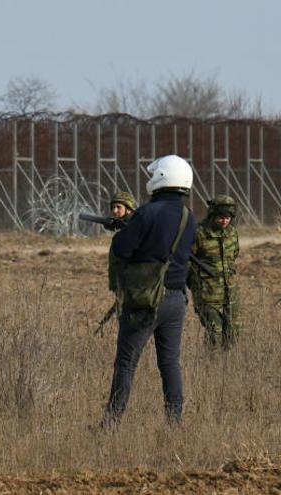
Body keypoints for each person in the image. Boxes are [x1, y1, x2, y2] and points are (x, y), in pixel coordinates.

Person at [104, 155, 196, 426]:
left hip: (146, 300)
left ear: (162, 177)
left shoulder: (146, 212)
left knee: (126, 362)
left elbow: (123, 249)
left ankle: (111, 423)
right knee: (169, 363)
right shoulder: (189, 217)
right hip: (177, 300)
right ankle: (174, 422)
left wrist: (122, 232)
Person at [187, 195, 241, 349]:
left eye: (228, 218)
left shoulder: (232, 233)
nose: (225, 221)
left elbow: (234, 256)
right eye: (221, 217)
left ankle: (229, 369)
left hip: (230, 293)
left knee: (234, 334)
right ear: (213, 215)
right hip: (208, 294)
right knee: (214, 336)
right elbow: (186, 261)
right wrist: (195, 284)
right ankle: (211, 367)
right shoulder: (200, 233)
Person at [107, 191, 137, 294]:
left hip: (130, 283)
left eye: (118, 207)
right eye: (113, 207)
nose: (114, 211)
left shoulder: (134, 228)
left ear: (128, 209)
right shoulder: (123, 228)